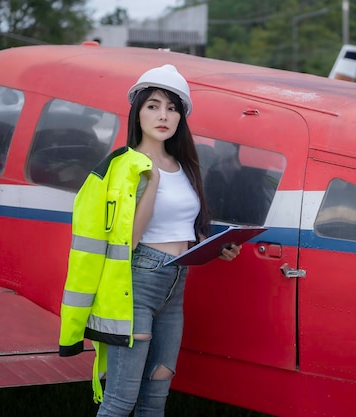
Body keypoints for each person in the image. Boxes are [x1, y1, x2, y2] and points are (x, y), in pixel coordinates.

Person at [59, 64, 241, 416]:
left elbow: (186, 227)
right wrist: (152, 182)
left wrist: (216, 249)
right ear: (137, 112)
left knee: (155, 398)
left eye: (173, 108)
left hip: (175, 285)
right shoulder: (125, 166)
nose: (163, 116)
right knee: (120, 399)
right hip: (137, 283)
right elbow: (130, 238)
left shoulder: (184, 163)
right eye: (153, 106)